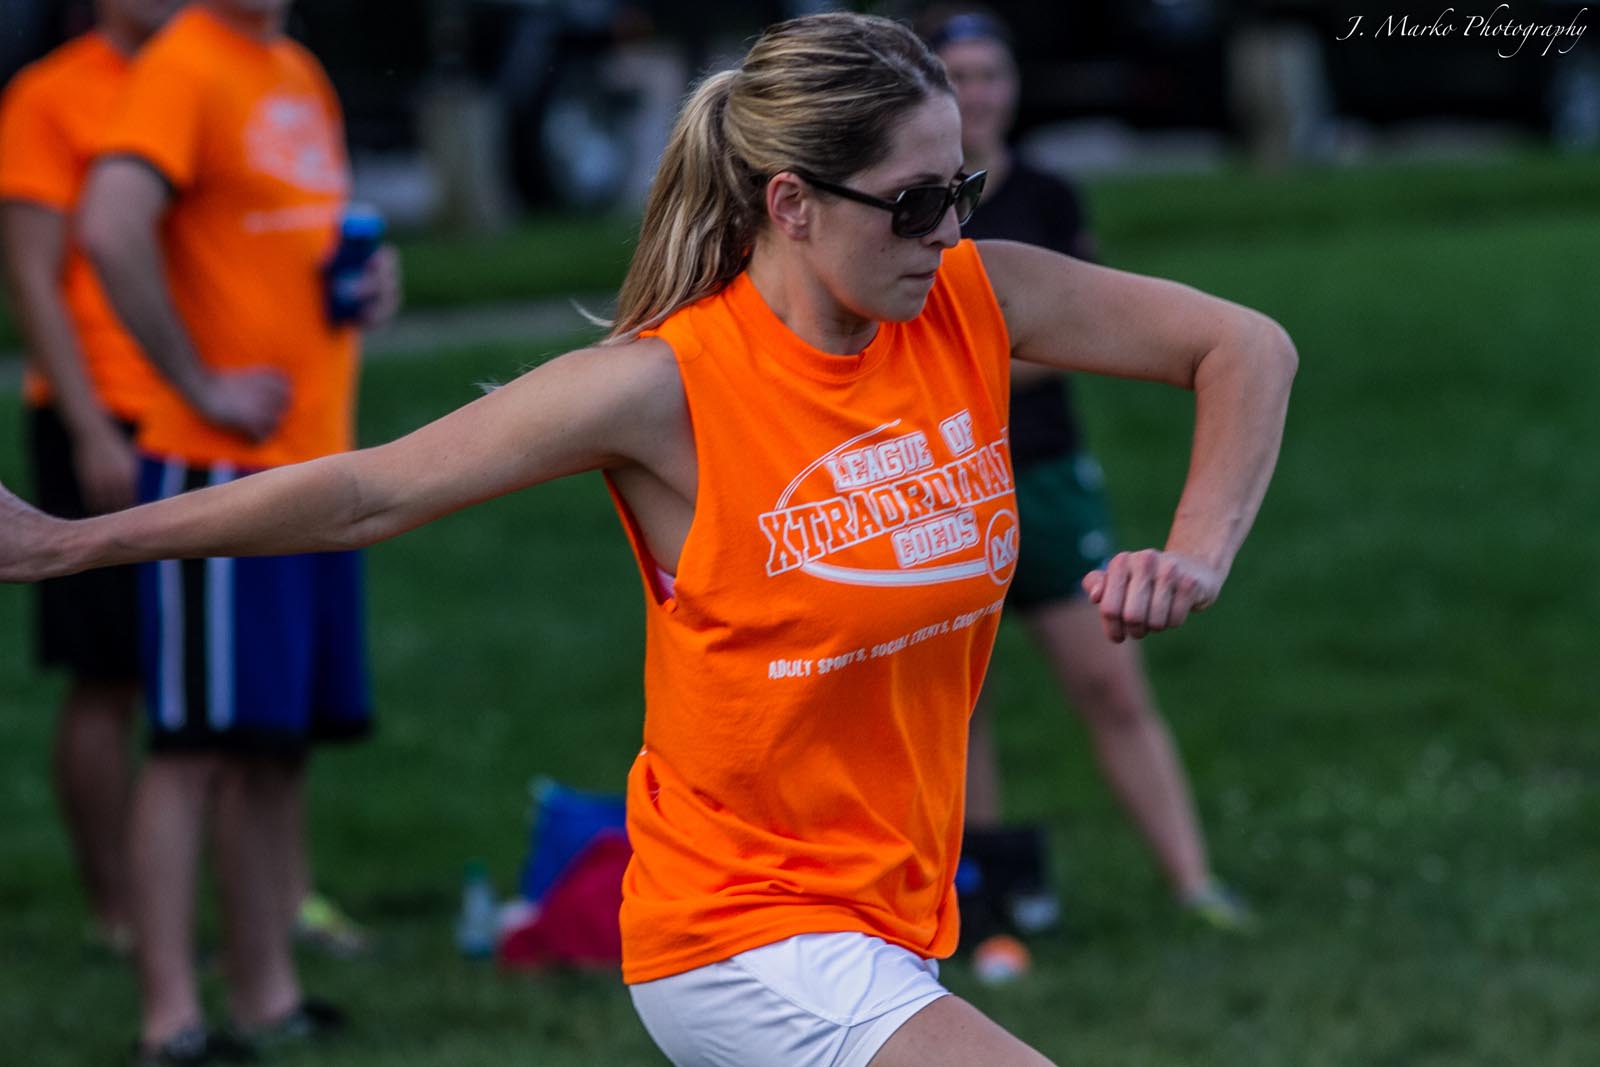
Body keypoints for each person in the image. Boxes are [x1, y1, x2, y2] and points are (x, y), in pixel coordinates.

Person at [4, 13, 1295, 1066]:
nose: (947, 229)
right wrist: (66, 544)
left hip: (892, 912)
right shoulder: (665, 386)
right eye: (912, 203)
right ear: (792, 202)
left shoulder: (973, 300)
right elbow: (364, 494)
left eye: (959, 189)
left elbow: (1243, 345)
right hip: (742, 930)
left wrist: (1195, 550)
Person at [73, 0, 398, 1060]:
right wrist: (198, 380)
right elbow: (109, 223)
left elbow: (293, 238)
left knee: (274, 742)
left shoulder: (294, 67)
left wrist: (369, 284)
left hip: (315, 464)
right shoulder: (184, 63)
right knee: (193, 744)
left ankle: (266, 992)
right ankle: (170, 1014)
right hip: (217, 466)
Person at [924, 6, 1253, 930]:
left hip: (1043, 474)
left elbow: (1078, 337)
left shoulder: (1047, 197)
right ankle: (979, 895)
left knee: (1110, 681)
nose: (978, 94)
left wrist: (945, 376)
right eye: (958, 76)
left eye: (992, 74)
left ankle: (1192, 880)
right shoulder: (906, 208)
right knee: (957, 704)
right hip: (939, 488)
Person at [0, 0, 184, 957]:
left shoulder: (202, 74)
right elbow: (32, 273)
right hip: (102, 412)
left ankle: (249, 895)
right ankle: (114, 904)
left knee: (214, 683)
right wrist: (85, 425)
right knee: (108, 674)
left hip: (201, 415)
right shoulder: (51, 95)